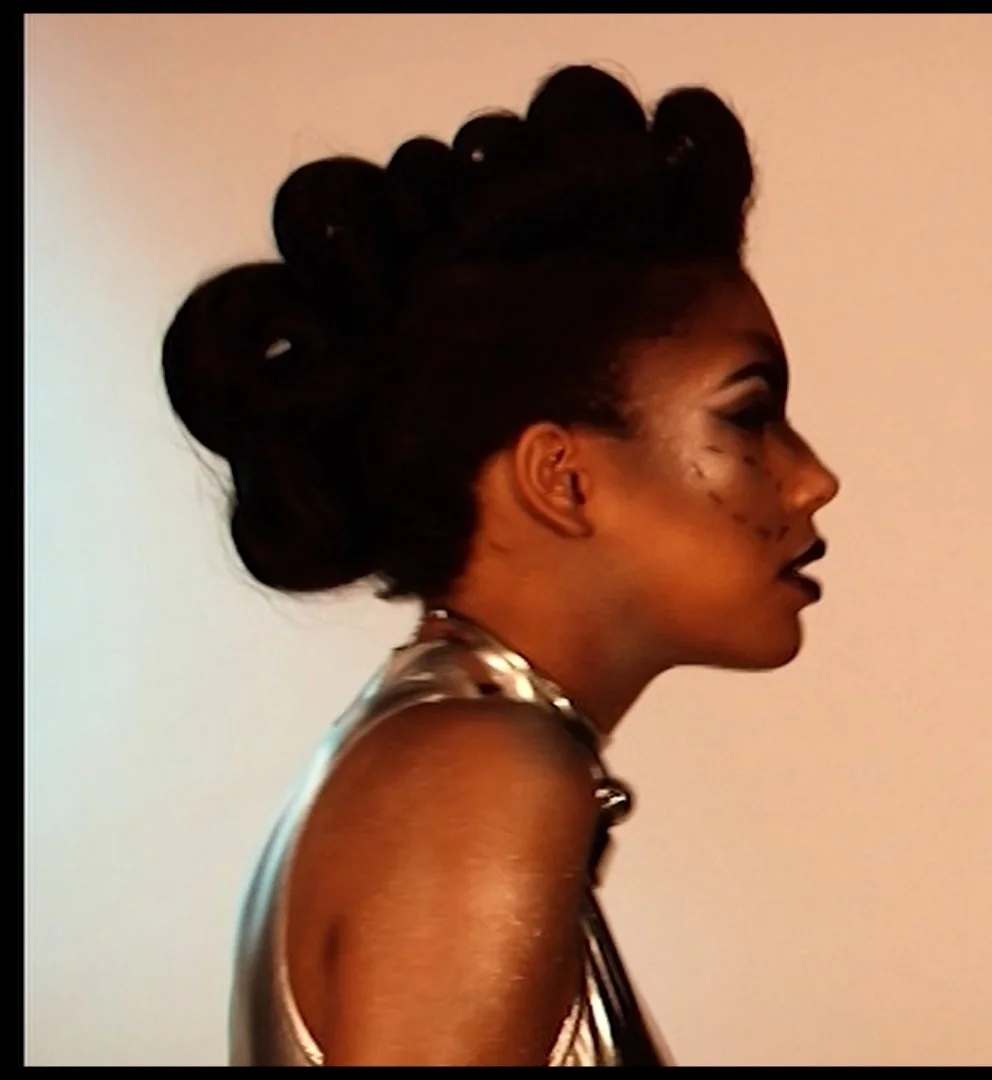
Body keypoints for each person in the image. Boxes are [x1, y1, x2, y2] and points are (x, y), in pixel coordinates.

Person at [163, 63, 840, 1066]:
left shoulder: (440, 746)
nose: (813, 479)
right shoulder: (482, 778)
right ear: (560, 477)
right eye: (749, 412)